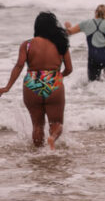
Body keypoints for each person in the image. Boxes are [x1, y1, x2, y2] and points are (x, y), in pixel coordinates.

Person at [0, 12, 73, 148]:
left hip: (32, 83)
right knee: (56, 123)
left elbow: (19, 65)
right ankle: (52, 138)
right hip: (53, 82)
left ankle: (39, 155)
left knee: (37, 125)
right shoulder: (61, 44)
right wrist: (58, 77)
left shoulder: (27, 45)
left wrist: (7, 87)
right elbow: (69, 69)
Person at [65, 4, 105, 81]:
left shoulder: (86, 23)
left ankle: (96, 92)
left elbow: (69, 32)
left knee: (93, 82)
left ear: (95, 12)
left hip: (94, 57)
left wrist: (68, 27)